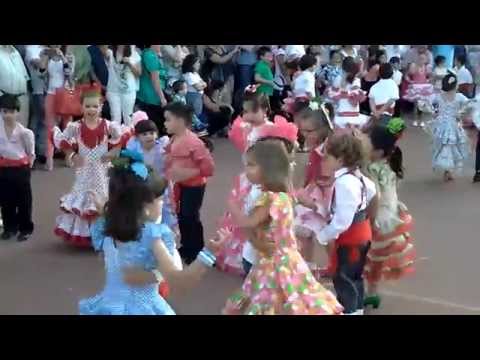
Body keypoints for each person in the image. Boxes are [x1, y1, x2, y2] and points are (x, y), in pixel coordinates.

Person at [78, 153, 217, 315]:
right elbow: (180, 282)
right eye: (160, 200)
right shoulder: (152, 236)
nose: (163, 203)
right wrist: (208, 254)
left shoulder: (108, 225)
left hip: (109, 307)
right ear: (145, 207)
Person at [223, 140, 343, 315]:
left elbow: (249, 223)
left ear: (268, 168)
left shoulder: (269, 198)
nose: (246, 170)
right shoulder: (285, 195)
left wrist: (232, 206)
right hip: (288, 258)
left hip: (273, 261)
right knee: (290, 296)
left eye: (251, 165)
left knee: (268, 298)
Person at [315, 131, 377, 315]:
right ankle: (356, 309)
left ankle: (349, 311)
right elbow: (372, 191)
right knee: (355, 277)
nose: (324, 160)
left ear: (340, 160)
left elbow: (342, 221)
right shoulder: (358, 176)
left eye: (328, 156)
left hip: (351, 237)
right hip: (362, 232)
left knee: (344, 279)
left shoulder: (344, 183)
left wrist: (324, 235)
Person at [215, 88, 275, 274]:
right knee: (240, 211)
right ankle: (240, 254)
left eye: (252, 111)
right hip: (247, 176)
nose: (247, 115)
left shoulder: (272, 129)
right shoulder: (246, 127)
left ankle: (258, 252)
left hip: (264, 177)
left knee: (258, 213)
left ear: (265, 109)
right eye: (245, 111)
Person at [53, 90, 122, 247]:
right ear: (81, 107)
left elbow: (119, 141)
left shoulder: (109, 126)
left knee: (103, 197)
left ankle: (104, 234)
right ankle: (84, 234)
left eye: (95, 106)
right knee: (83, 197)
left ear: (101, 107)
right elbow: (63, 141)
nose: (91, 110)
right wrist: (72, 155)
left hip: (102, 170)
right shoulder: (75, 127)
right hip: (84, 170)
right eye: (88, 106)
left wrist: (111, 153)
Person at [364, 121, 415, 309]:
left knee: (367, 256)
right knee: (377, 259)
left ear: (378, 151)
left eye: (367, 143)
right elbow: (390, 192)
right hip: (391, 217)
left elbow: (375, 196)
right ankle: (372, 292)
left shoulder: (371, 168)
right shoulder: (388, 164)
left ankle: (367, 294)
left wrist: (371, 218)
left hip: (378, 219)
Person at [163, 102, 215, 265]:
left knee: (190, 216)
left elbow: (209, 167)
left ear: (179, 121)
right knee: (182, 216)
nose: (165, 123)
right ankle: (186, 247)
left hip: (195, 186)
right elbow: (169, 155)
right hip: (181, 185)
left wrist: (190, 173)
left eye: (168, 120)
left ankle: (197, 249)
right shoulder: (174, 139)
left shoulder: (194, 142)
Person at [294, 103, 335, 276]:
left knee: (328, 234)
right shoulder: (315, 145)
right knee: (305, 230)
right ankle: (306, 266)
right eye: (302, 131)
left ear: (324, 128)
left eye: (309, 131)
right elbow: (311, 168)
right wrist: (305, 186)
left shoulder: (331, 148)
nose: (305, 135)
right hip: (313, 189)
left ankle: (335, 266)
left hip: (327, 193)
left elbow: (331, 173)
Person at [125, 119, 177, 230]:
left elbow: (171, 164)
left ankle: (165, 232)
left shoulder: (162, 148)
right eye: (144, 134)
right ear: (138, 137)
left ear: (157, 134)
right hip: (142, 185)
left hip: (161, 185)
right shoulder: (135, 150)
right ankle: (144, 233)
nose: (149, 136)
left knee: (164, 208)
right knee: (142, 209)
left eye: (152, 133)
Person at [0, 94, 35, 242]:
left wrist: (27, 166)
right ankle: (9, 227)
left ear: (17, 112)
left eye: (11, 112)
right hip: (3, 168)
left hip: (20, 168)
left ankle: (25, 228)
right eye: (4, 111)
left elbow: (30, 152)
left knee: (23, 200)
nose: (8, 115)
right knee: (6, 199)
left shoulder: (25, 133)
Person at [429, 73, 471, 182]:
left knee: (443, 147)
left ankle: (447, 170)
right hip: (454, 124)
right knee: (453, 147)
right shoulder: (459, 97)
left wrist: (435, 113)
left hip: (441, 125)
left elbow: (430, 107)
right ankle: (448, 170)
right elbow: (470, 104)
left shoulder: (438, 96)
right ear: (455, 85)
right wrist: (461, 113)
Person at [40, 45, 76, 171]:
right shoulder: (46, 54)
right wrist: (45, 57)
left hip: (65, 94)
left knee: (68, 127)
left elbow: (69, 74)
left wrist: (63, 58)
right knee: (50, 127)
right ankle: (49, 158)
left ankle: (68, 156)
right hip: (51, 93)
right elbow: (41, 72)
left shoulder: (69, 56)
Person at [327, 57, 369, 129]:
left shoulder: (338, 79)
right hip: (353, 113)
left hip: (341, 112)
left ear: (342, 67)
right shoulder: (356, 81)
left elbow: (332, 96)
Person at [105, 45, 142, 126]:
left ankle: (128, 137)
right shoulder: (109, 53)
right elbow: (102, 50)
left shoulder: (134, 54)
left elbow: (138, 73)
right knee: (115, 117)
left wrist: (129, 63)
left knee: (128, 118)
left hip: (129, 91)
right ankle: (116, 137)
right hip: (113, 91)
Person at [137, 45, 168, 135]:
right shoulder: (150, 56)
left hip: (145, 95)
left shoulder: (146, 53)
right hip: (152, 97)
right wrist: (162, 97)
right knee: (159, 127)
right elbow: (155, 80)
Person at [24, 45, 47, 165]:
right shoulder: (31, 48)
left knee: (41, 120)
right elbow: (36, 63)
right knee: (37, 120)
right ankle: (33, 151)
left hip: (46, 90)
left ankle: (40, 151)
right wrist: (46, 55)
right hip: (37, 90)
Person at [0, 45, 30, 128]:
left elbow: (25, 77)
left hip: (21, 99)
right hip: (4, 100)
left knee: (21, 133)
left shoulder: (16, 52)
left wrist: (25, 98)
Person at [403, 54, 434, 128]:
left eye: (423, 59)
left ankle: (422, 120)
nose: (422, 60)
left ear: (426, 60)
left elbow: (431, 76)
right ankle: (415, 120)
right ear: (418, 59)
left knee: (423, 105)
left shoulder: (426, 67)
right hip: (416, 87)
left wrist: (428, 80)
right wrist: (410, 81)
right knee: (416, 105)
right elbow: (406, 75)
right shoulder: (414, 67)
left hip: (424, 88)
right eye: (420, 58)